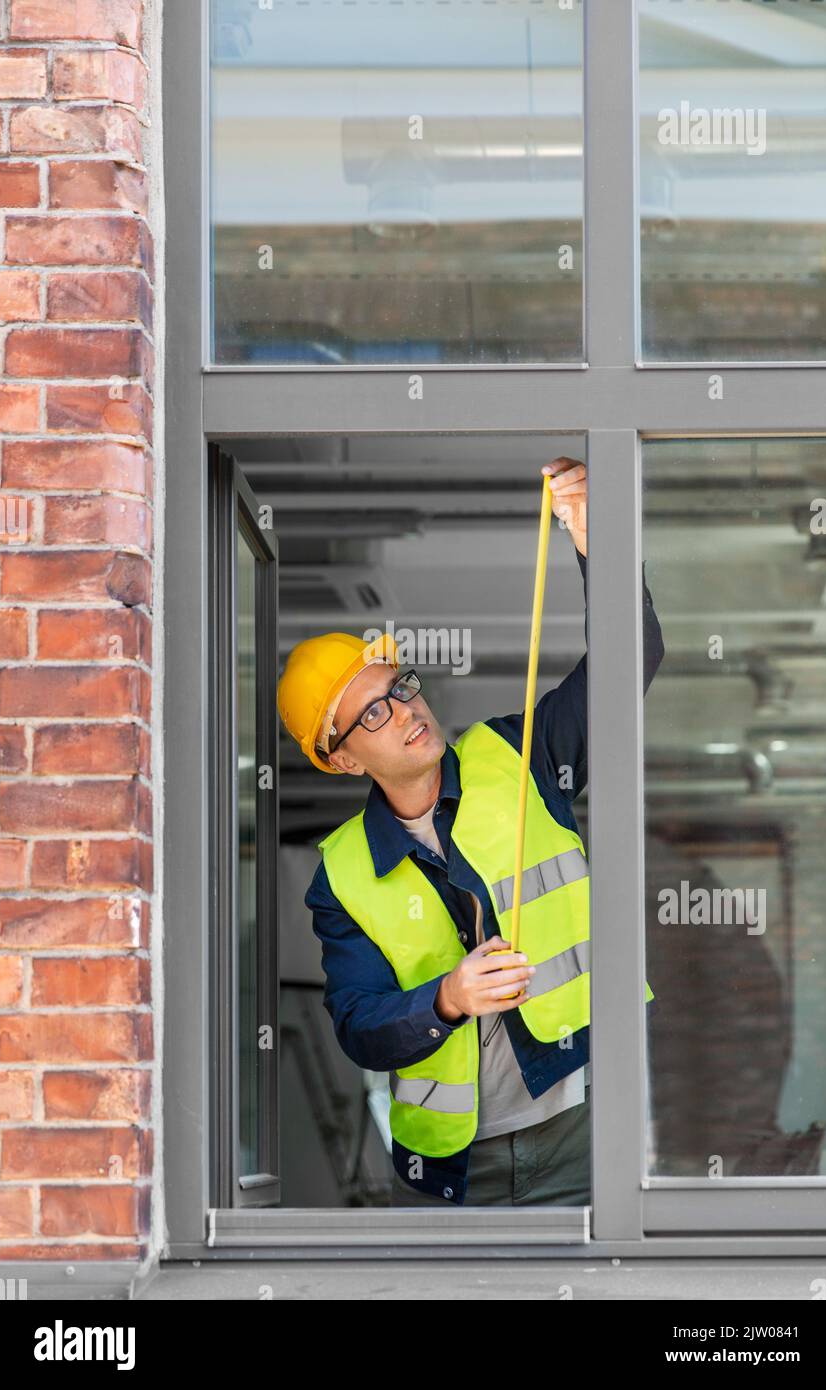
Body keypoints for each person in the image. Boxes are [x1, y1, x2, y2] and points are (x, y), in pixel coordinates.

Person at [277, 459, 665, 1205]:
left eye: (399, 689)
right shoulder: (342, 875)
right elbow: (359, 1027)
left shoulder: (519, 755)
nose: (405, 712)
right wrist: (448, 997)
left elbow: (628, 665)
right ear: (339, 759)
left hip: (584, 1125)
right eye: (372, 713)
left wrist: (597, 541)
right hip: (453, 1167)